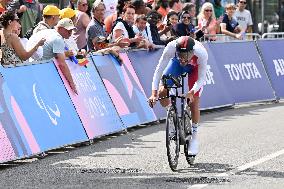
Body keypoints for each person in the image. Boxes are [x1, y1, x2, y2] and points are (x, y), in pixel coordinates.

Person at [148, 36, 208, 156]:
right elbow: (159, 70)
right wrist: (154, 93)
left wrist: (191, 92)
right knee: (162, 91)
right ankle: (172, 119)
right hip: (176, 66)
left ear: (192, 52)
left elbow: (201, 78)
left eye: (186, 55)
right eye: (180, 54)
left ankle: (194, 139)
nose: (183, 58)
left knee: (194, 100)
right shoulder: (171, 47)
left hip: (194, 69)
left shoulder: (201, 52)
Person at [27, 18, 77, 94]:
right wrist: (72, 83)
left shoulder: (50, 31)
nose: (70, 33)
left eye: (71, 30)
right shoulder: (58, 39)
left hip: (33, 65)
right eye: (68, 30)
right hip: (40, 69)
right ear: (60, 28)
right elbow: (62, 64)